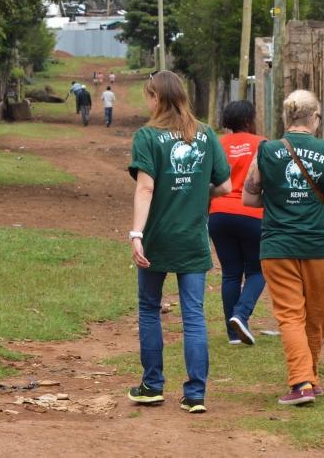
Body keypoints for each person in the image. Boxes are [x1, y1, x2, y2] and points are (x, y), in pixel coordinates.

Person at [127, 70, 232, 415]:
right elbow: (225, 186)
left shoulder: (147, 136)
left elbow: (145, 187)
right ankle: (196, 393)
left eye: (149, 96)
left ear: (156, 98)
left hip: (158, 237)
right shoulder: (204, 133)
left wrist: (136, 234)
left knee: (148, 308)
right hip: (192, 237)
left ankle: (152, 386)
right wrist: (197, 191)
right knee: (194, 316)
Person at [243, 90, 324, 406]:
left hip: (278, 246)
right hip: (320, 246)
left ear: (285, 117)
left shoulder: (266, 150)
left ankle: (304, 381)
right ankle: (306, 380)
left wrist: (279, 198)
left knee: (290, 316)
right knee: (317, 316)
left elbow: (249, 197)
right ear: (315, 118)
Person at [208, 100, 266, 346]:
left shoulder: (217, 145)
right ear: (249, 119)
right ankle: (240, 314)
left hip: (219, 214)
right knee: (258, 270)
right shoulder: (262, 144)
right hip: (252, 213)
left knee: (231, 273)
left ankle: (233, 335)